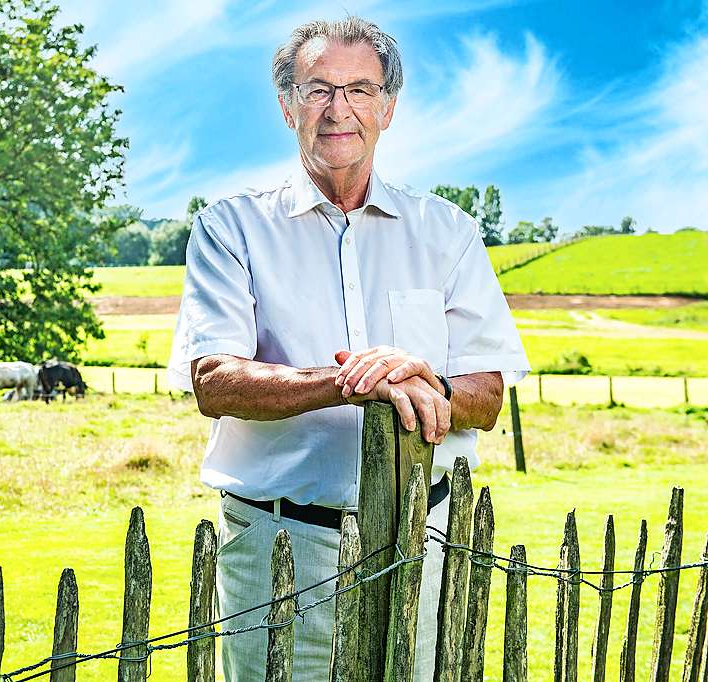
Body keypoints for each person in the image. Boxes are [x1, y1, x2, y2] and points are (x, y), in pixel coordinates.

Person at [167, 16, 530, 681]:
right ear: (287, 105)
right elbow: (213, 381)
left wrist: (432, 384)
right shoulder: (232, 228)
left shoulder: (446, 231)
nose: (339, 110)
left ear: (388, 107)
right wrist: (352, 382)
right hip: (282, 549)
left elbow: (487, 396)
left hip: (424, 539)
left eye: (360, 89)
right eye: (317, 90)